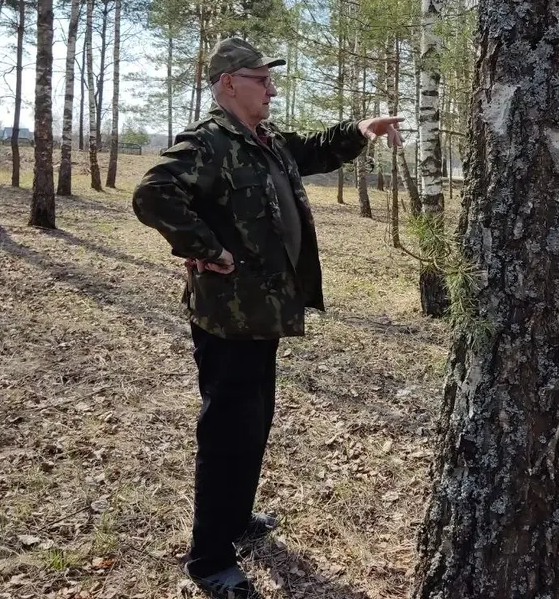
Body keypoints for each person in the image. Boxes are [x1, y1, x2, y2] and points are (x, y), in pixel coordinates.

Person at [132, 36, 403, 598]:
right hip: (228, 318)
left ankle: (236, 521)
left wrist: (363, 130)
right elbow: (153, 194)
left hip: (263, 313)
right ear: (229, 83)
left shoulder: (266, 139)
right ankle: (209, 557)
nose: (272, 88)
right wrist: (207, 247)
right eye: (262, 79)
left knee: (255, 422)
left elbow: (314, 151)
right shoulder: (209, 142)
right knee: (228, 430)